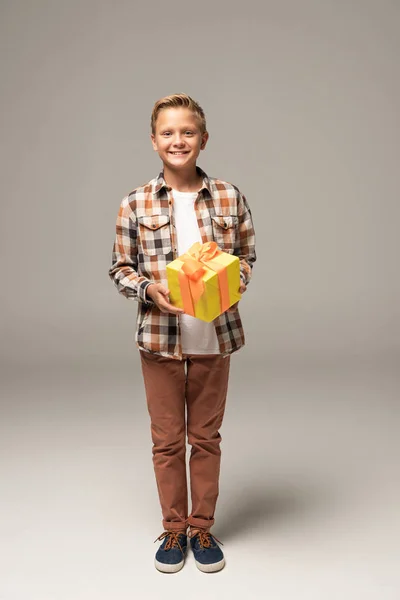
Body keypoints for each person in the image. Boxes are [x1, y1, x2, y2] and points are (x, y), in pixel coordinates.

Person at [108, 93, 256, 573]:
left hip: (215, 336)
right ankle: (174, 531)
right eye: (168, 133)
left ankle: (201, 526)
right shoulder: (135, 201)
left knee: (206, 437)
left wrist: (233, 283)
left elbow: (247, 259)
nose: (178, 141)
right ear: (153, 142)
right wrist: (151, 289)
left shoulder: (230, 196)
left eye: (187, 132)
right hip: (160, 340)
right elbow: (120, 268)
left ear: (203, 139)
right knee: (168, 440)